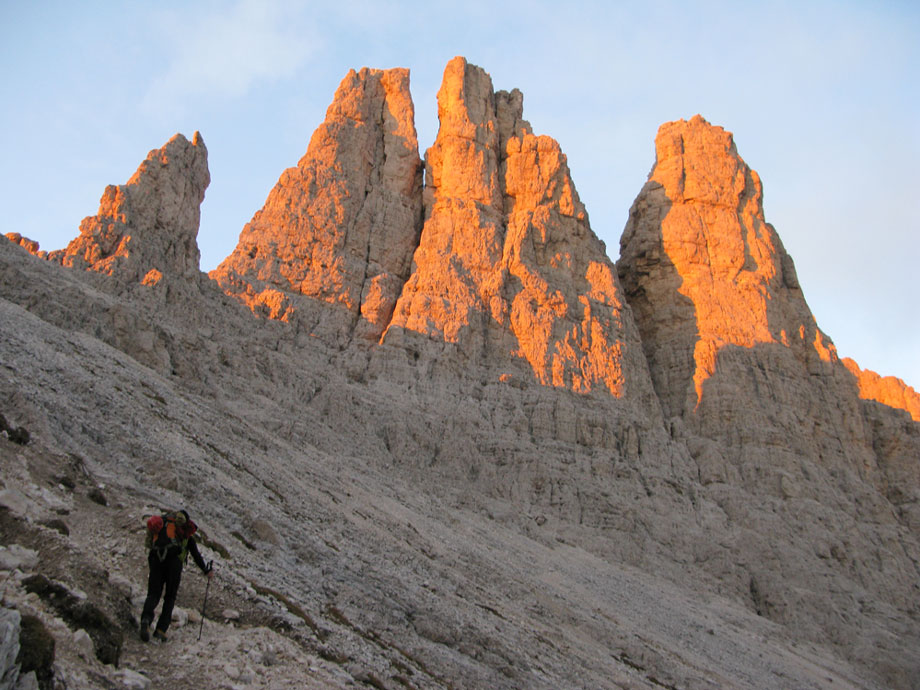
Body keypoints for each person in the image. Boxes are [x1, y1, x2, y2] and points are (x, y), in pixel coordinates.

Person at [140, 509, 213, 642]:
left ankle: (145, 621)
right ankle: (160, 630)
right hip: (174, 565)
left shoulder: (163, 526)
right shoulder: (185, 534)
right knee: (170, 597)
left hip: (156, 560)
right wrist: (206, 570)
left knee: (153, 594)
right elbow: (196, 555)